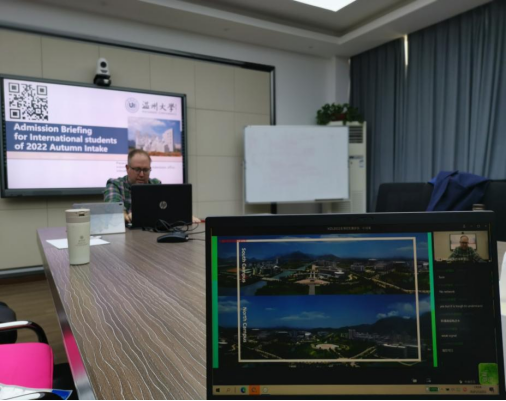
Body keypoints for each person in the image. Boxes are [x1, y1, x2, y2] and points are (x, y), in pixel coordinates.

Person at [104, 149, 199, 224]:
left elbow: (167, 209)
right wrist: (124, 214)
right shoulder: (114, 184)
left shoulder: (155, 184)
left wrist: (183, 216)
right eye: (137, 169)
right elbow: (114, 208)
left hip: (151, 235)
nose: (142, 174)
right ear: (127, 168)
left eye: (146, 170)